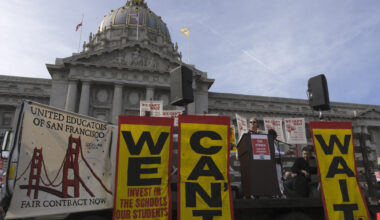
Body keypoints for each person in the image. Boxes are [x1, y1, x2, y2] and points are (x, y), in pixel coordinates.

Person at [268, 129, 285, 196]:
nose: (276, 137)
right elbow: (274, 152)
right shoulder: (270, 142)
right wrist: (284, 153)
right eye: (275, 136)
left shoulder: (275, 142)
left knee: (280, 178)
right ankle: (278, 193)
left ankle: (281, 192)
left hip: (277, 162)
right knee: (278, 178)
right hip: (273, 162)